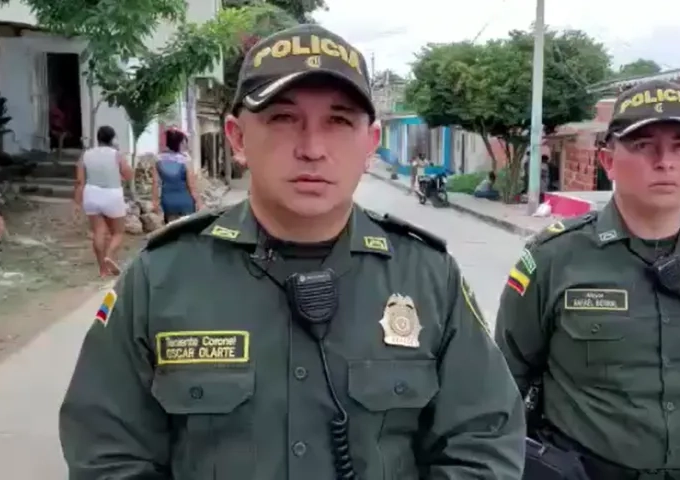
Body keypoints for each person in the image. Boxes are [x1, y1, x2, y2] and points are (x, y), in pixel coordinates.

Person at [59, 24, 526, 480]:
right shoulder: (161, 277)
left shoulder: (428, 278)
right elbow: (106, 451)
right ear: (237, 137)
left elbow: (483, 442)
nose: (312, 148)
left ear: (371, 143)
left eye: (339, 121)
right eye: (283, 118)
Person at [494, 80, 680, 480]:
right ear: (608, 161)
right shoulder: (555, 256)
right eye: (643, 146)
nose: (664, 161)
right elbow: (507, 376)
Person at [74, 125, 133, 277]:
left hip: (91, 194)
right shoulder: (116, 154)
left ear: (98, 138)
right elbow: (128, 175)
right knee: (118, 232)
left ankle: (102, 270)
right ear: (113, 139)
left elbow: (80, 181)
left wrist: (77, 201)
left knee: (98, 231)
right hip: (112, 194)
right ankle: (109, 255)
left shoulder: (86, 155)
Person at [151, 128, 201, 223]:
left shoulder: (158, 159)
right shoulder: (186, 160)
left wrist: (155, 202)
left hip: (168, 202)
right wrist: (199, 202)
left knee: (171, 230)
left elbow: (155, 183)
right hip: (186, 201)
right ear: (180, 143)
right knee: (187, 230)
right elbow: (192, 186)